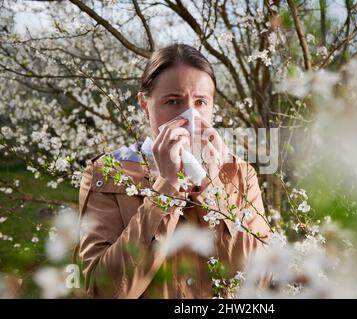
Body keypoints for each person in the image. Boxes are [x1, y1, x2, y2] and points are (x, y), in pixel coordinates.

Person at [77, 43, 271, 298]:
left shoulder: (240, 174)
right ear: (145, 105)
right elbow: (101, 291)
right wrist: (166, 189)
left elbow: (259, 283)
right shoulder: (107, 174)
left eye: (201, 102)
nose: (189, 115)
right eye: (172, 101)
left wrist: (213, 187)